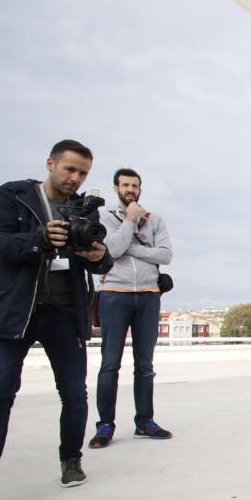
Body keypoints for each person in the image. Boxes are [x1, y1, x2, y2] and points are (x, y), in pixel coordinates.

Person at [0, 139, 112, 500]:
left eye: (83, 173)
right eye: (70, 169)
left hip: (64, 313)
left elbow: (98, 262)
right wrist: (37, 240)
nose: (75, 178)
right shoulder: (12, 196)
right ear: (50, 163)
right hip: (12, 312)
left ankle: (71, 460)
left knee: (74, 393)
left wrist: (99, 255)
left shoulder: (85, 210)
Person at [88, 168, 173, 448]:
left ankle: (144, 421)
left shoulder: (156, 220)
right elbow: (110, 249)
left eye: (135, 185)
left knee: (145, 366)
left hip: (149, 296)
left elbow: (165, 255)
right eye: (125, 185)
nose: (130, 189)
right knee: (110, 364)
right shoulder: (103, 217)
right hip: (115, 293)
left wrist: (132, 249)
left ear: (140, 189)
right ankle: (105, 426)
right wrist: (129, 220)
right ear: (116, 188)